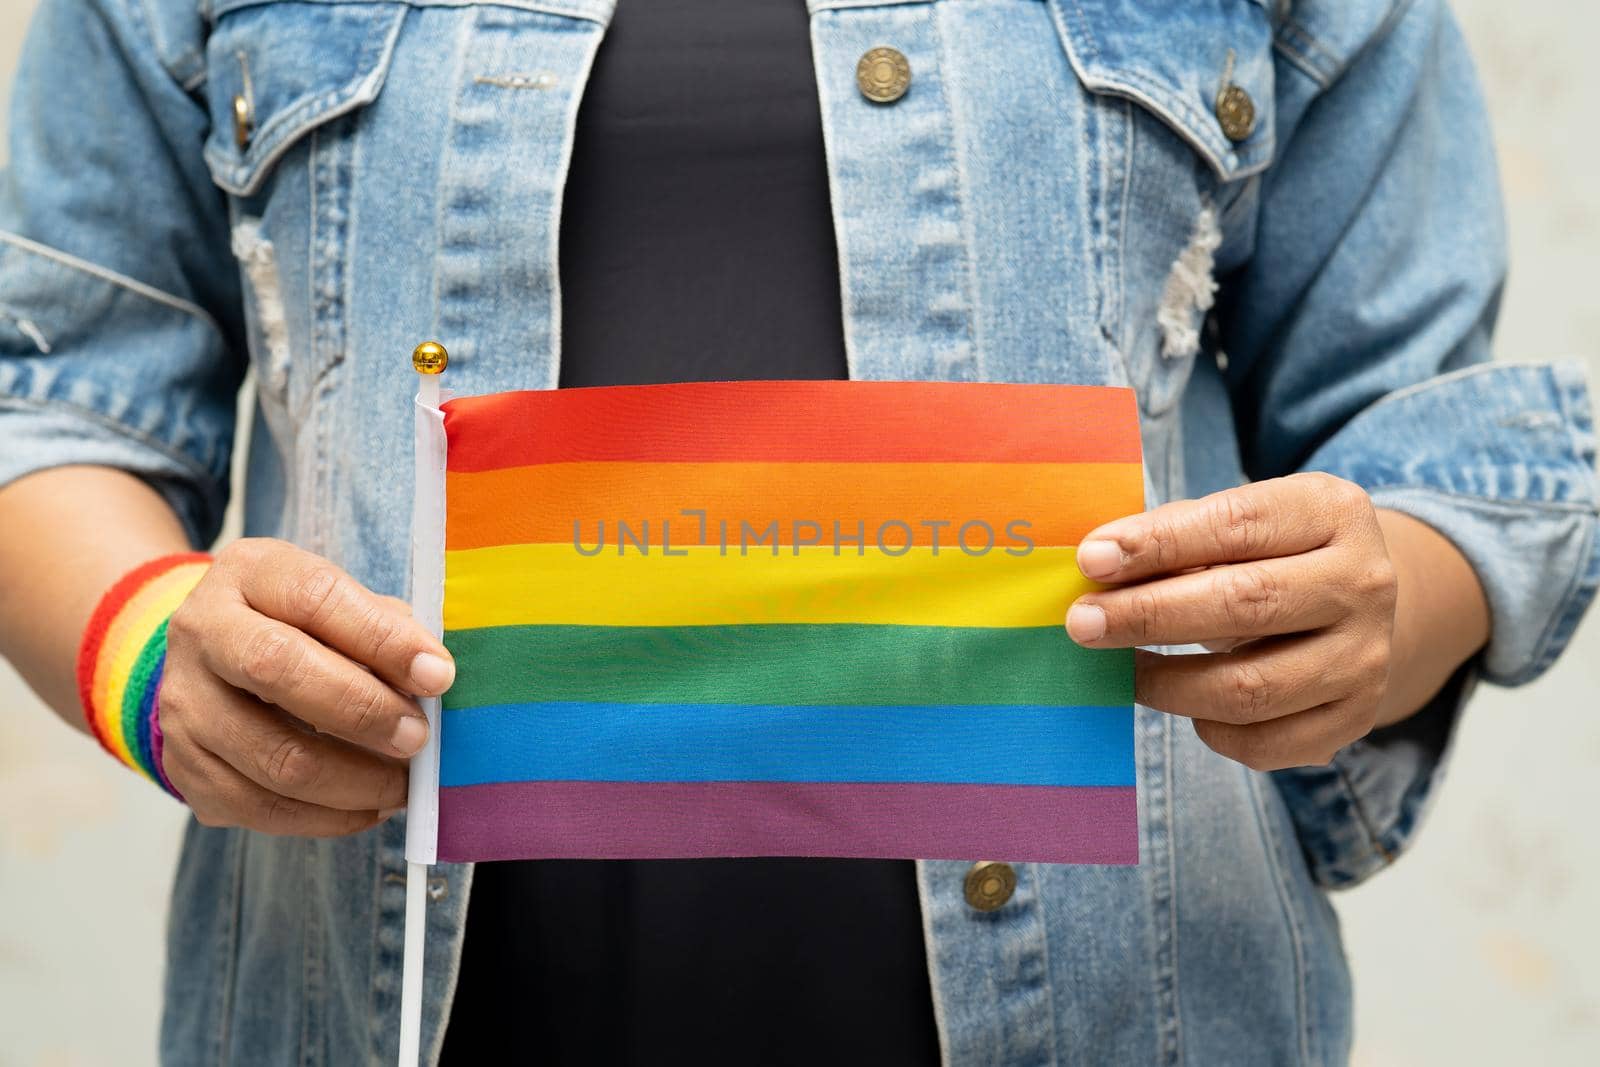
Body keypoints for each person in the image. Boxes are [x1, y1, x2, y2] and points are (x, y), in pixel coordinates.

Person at [1, 0, 1595, 1063]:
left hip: (1138, 1006)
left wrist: (1402, 592)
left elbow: (1425, 437)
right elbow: (49, 396)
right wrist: (148, 648)